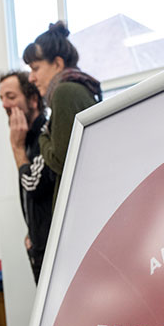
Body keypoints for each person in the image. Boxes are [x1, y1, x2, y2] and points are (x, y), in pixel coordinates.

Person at [23, 21, 102, 201]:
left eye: (35, 69)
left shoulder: (65, 92)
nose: (31, 78)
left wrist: (43, 136)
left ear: (58, 64)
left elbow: (61, 162)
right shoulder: (79, 89)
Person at [0, 70, 57, 282]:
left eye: (11, 97)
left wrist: (16, 147)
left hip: (54, 248)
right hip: (39, 243)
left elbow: (34, 185)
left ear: (33, 100)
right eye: (2, 98)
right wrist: (31, 231)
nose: (5, 104)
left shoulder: (45, 132)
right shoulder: (28, 137)